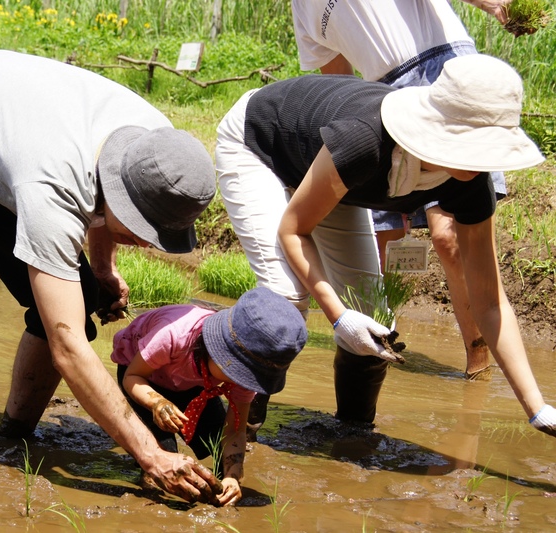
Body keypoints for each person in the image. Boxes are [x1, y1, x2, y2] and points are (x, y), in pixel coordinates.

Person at [0, 50, 222, 503]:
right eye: (146, 233)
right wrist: (151, 456)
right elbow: (68, 347)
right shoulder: (53, 183)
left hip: (8, 142)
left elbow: (106, 200)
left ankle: (12, 439)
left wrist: (104, 269)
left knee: (83, 295)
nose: (149, 245)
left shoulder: (161, 150)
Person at [215, 54, 556, 439]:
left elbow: (490, 301)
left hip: (330, 175)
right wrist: (339, 318)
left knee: (375, 321)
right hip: (261, 144)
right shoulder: (365, 141)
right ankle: (239, 431)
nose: (485, 161)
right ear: (442, 127)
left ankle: (353, 438)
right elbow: (293, 231)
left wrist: (537, 408)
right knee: (287, 297)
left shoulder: (471, 182)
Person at [291, 0, 516, 382]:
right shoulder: (304, 8)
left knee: (450, 238)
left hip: (444, 71)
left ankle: (479, 365)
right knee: (384, 237)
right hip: (382, 93)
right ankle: (376, 350)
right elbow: (337, 82)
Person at [111, 287, 307, 506]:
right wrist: (158, 403)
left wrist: (233, 477)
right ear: (218, 350)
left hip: (196, 382)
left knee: (217, 446)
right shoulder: (173, 335)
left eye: (248, 378)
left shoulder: (246, 374)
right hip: (144, 377)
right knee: (163, 453)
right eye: (237, 373)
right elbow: (132, 377)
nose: (241, 382)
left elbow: (234, 429)